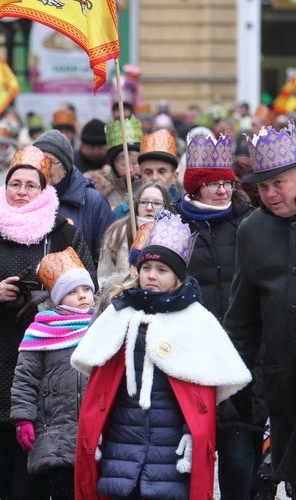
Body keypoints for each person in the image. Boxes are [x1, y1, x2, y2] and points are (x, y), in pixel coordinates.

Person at [71, 212, 251, 499]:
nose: (151, 275)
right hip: (121, 443)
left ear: (177, 277)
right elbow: (97, 378)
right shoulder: (119, 314)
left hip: (171, 451)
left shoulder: (196, 319)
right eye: (147, 268)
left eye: (161, 270)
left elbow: (213, 385)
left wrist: (192, 432)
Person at [0, 145, 96, 500]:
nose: (22, 192)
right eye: (15, 184)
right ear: (4, 186)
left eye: (31, 185)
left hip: (51, 362)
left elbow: (88, 289)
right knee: (6, 461)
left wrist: (41, 300)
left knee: (46, 462)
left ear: (44, 190)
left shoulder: (63, 233)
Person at [171, 132, 261, 499]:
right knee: (187, 477)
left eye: (226, 182)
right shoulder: (173, 226)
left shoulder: (250, 224)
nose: (223, 191)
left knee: (241, 475)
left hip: (240, 366)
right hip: (189, 364)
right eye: (212, 184)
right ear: (195, 187)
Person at [225, 126, 296, 485]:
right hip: (284, 385)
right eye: (262, 186)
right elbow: (242, 319)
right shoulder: (251, 231)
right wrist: (235, 383)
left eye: (278, 183)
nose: (269, 194)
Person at [10, 248, 95, 499]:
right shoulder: (41, 331)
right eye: (72, 292)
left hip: (95, 426)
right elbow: (25, 379)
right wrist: (23, 418)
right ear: (58, 298)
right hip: (56, 429)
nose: (82, 296)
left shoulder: (103, 325)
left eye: (86, 290)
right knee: (63, 490)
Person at [33, 129, 114, 265]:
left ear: (65, 167)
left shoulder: (93, 201)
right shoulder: (23, 197)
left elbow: (107, 256)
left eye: (50, 162)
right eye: (39, 162)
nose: (43, 168)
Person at [97, 182, 171, 287]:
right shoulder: (117, 231)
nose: (149, 207)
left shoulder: (173, 234)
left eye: (157, 203)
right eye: (144, 202)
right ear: (136, 204)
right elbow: (103, 277)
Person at [102, 116, 144, 215]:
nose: (130, 170)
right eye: (123, 165)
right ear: (114, 165)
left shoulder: (150, 190)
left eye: (135, 163)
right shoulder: (102, 190)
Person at [138, 128, 182, 200]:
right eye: (148, 172)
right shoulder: (129, 209)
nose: (154, 178)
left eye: (161, 171)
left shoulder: (184, 210)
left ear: (174, 176)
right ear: (141, 176)